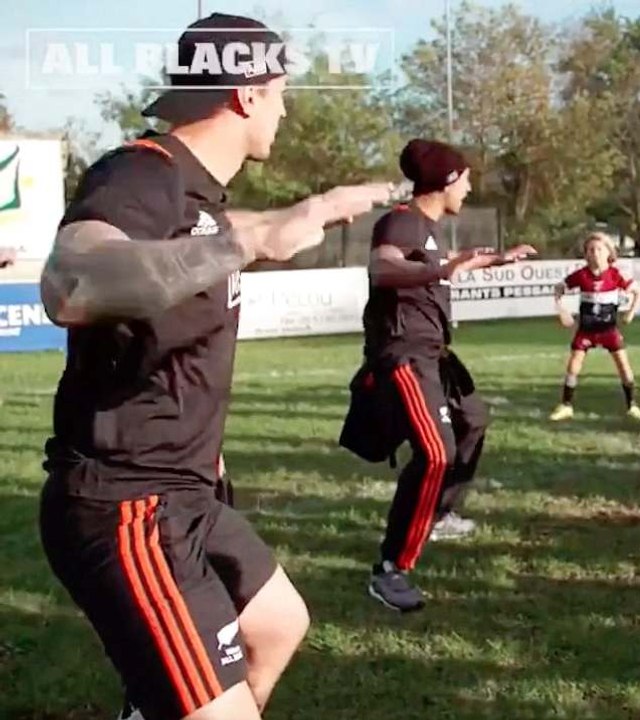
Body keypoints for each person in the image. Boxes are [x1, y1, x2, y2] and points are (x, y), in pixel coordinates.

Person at [37, 13, 396, 720]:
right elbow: (73, 281)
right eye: (283, 90)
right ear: (246, 93)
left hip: (188, 490)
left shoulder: (204, 201)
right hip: (126, 504)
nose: (287, 108)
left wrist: (298, 214)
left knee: (276, 625)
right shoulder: (143, 171)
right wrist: (253, 240)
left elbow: (177, 339)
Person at [341, 139, 536, 613]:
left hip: (434, 356)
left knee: (473, 420)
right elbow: (383, 267)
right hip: (404, 356)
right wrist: (444, 267)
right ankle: (391, 569)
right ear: (447, 180)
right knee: (434, 453)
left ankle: (440, 513)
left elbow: (436, 267)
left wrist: (494, 258)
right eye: (465, 179)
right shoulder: (403, 220)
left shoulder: (427, 229)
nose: (468, 188)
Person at [549, 232, 640, 422]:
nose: (595, 253)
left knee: (623, 366)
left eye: (599, 249)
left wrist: (630, 313)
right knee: (573, 365)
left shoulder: (615, 274)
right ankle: (566, 405)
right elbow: (558, 288)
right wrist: (561, 310)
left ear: (608, 252)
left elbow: (638, 292)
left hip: (608, 330)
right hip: (586, 330)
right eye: (591, 250)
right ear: (586, 253)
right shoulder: (581, 275)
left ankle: (632, 405)